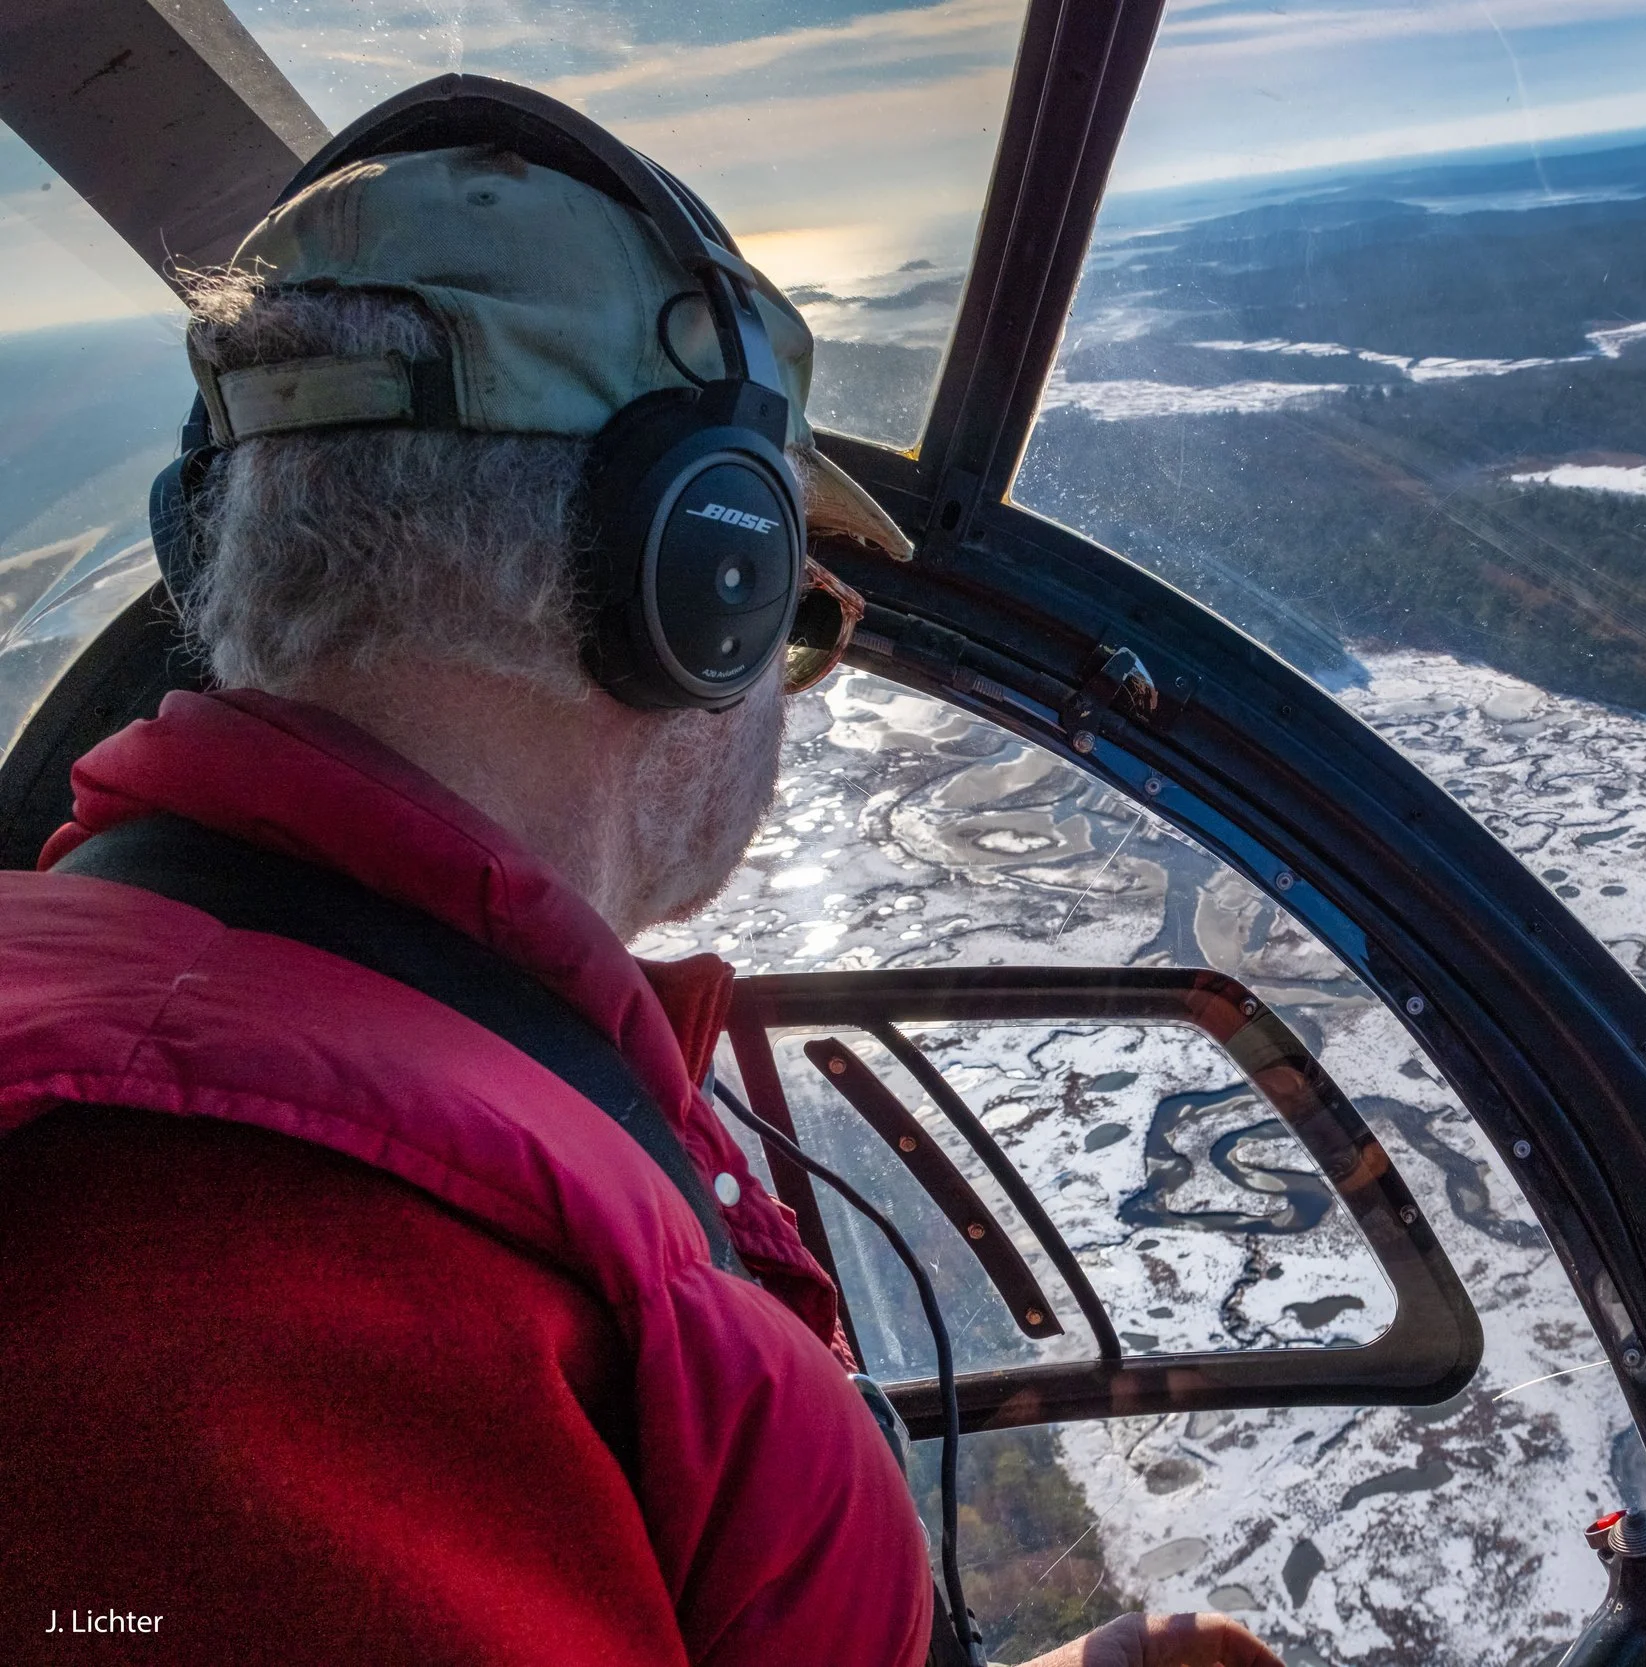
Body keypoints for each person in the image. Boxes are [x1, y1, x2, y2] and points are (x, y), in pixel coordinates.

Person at [0, 82, 1279, 1667]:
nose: (794, 678)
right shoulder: (264, 1280)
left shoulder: (334, 1076)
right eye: (796, 615)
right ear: (704, 590)